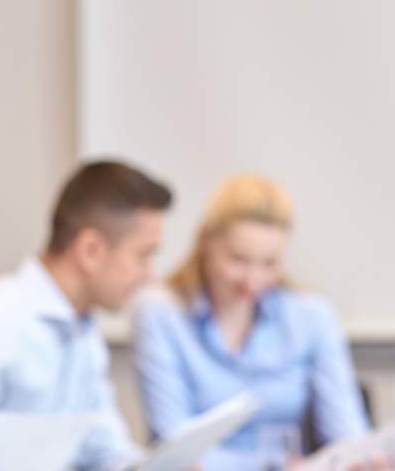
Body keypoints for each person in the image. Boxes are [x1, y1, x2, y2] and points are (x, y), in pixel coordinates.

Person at [131, 174, 369, 470]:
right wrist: (273, 465)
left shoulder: (312, 316)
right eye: (239, 260)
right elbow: (175, 450)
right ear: (204, 240)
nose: (253, 280)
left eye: (269, 263)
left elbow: (349, 439)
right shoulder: (160, 314)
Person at [0, 161, 172, 471]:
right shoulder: (1, 322)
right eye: (143, 255)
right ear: (91, 251)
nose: (148, 275)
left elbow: (105, 447)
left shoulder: (83, 331)